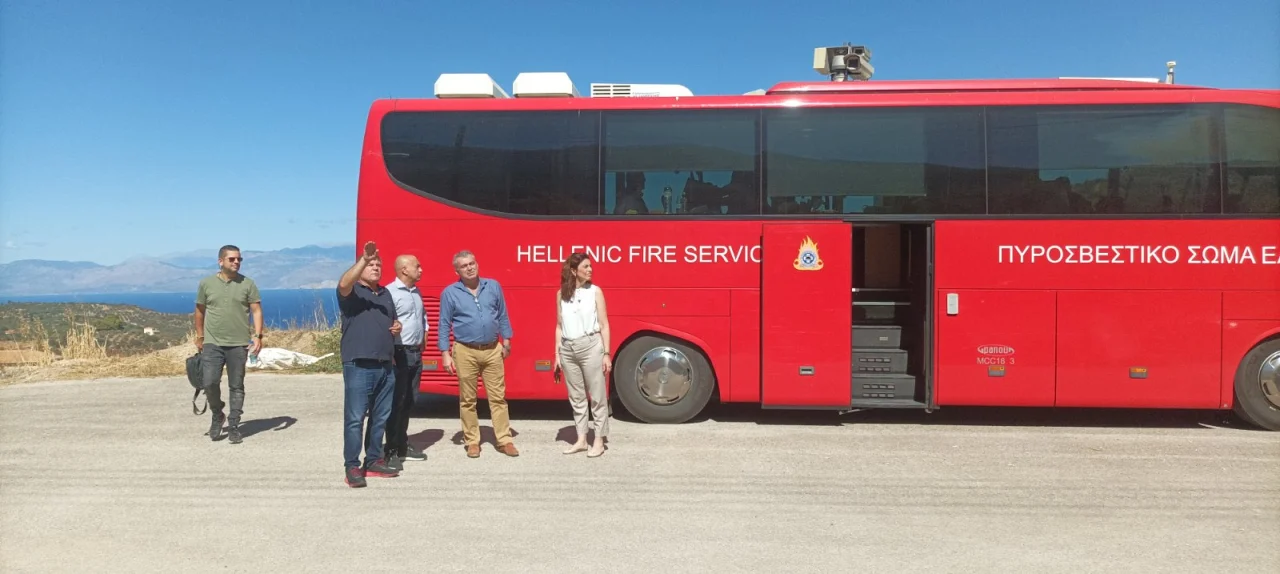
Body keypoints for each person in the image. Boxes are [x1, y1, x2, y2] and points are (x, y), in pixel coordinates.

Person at [438, 250, 518, 458]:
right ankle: (472, 441)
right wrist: (445, 353)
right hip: (465, 351)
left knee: (498, 398)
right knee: (468, 399)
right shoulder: (450, 293)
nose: (470, 267)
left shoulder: (493, 286)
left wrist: (506, 340)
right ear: (457, 270)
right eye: (464, 266)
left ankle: (504, 440)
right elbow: (445, 324)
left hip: (492, 349)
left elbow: (502, 314)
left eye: (472, 263)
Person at [337, 241, 402, 488]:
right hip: (359, 364)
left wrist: (398, 327)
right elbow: (343, 283)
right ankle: (352, 466)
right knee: (355, 418)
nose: (375, 268)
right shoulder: (352, 293)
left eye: (378, 265)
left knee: (380, 416)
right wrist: (363, 258)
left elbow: (392, 322)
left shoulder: (385, 294)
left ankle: (374, 460)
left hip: (385, 364)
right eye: (370, 265)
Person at [194, 244, 263, 445]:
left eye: (239, 259)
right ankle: (218, 414)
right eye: (232, 259)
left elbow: (256, 310)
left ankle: (233, 424)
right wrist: (200, 336)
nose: (236, 262)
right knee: (209, 382)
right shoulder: (206, 284)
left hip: (238, 343)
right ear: (221, 261)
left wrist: (258, 336)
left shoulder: (248, 284)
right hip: (212, 342)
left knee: (236, 385)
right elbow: (199, 311)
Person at [552, 253, 612, 457]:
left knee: (597, 396)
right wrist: (557, 354)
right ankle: (581, 439)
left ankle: (599, 440)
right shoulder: (561, 294)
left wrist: (606, 353)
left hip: (591, 347)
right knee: (576, 397)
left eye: (590, 266)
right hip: (568, 349)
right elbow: (559, 327)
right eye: (585, 266)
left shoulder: (595, 292)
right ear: (573, 271)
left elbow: (604, 325)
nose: (590, 270)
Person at [383, 254, 429, 471]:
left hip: (415, 353)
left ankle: (402, 444)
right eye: (416, 266)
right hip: (398, 353)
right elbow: (383, 324)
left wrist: (424, 336)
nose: (421, 269)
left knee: (410, 400)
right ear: (403, 270)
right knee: (396, 403)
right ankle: (390, 449)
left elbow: (422, 317)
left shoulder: (415, 292)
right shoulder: (390, 293)